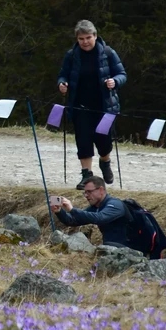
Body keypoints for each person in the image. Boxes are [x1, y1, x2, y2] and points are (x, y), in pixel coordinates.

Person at [57, 19, 127, 189]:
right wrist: (62, 84)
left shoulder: (108, 53)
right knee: (83, 140)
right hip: (80, 105)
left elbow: (122, 74)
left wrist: (114, 82)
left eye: (88, 37)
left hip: (105, 106)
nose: (85, 42)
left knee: (103, 141)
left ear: (95, 36)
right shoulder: (71, 55)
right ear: (77, 39)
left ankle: (105, 161)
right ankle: (87, 175)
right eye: (81, 39)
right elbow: (63, 75)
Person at [52, 175, 128, 247]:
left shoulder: (115, 204)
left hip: (130, 250)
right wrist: (59, 211)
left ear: (101, 190)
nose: (86, 195)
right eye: (85, 192)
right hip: (112, 248)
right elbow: (72, 221)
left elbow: (100, 218)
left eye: (89, 192)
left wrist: (72, 210)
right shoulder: (96, 206)